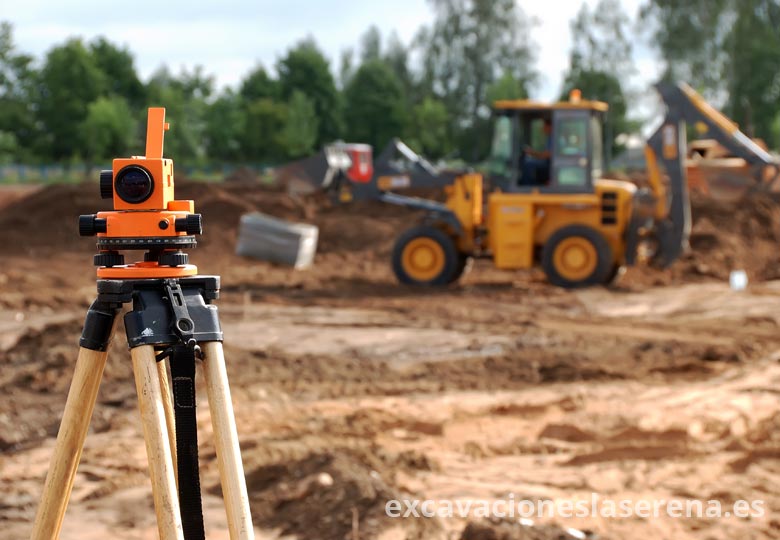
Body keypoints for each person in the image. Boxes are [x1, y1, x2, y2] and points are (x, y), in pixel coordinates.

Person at [521, 119, 552, 185]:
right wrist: (532, 153)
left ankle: (527, 186)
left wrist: (532, 152)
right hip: (546, 161)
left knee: (528, 163)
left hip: (550, 163)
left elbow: (546, 155)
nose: (542, 128)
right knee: (527, 160)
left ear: (550, 127)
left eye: (544, 126)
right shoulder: (549, 137)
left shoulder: (553, 137)